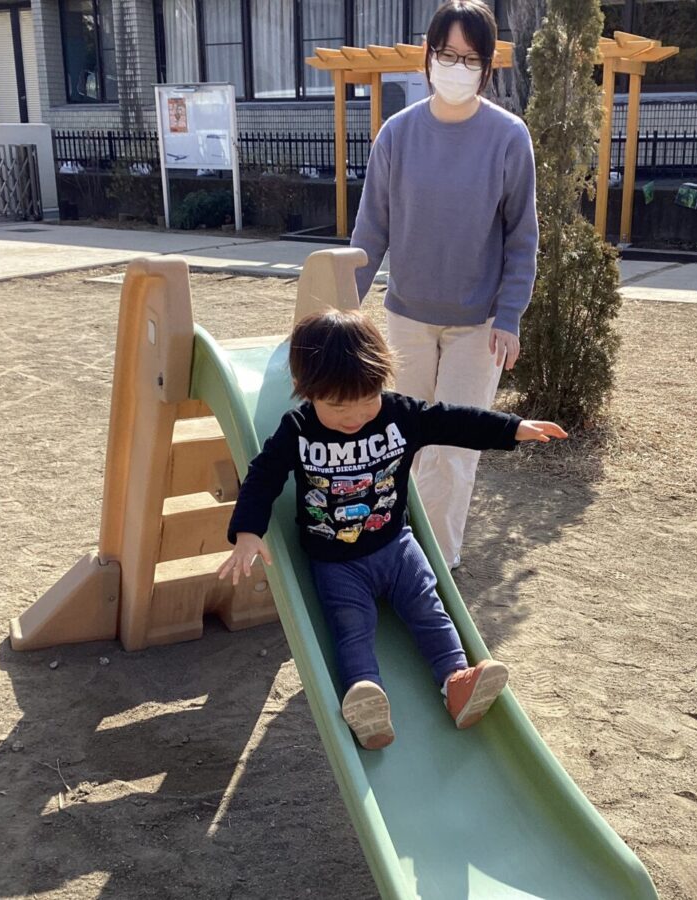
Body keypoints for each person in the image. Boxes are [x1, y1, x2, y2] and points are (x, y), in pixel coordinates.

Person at [217, 310, 566, 750]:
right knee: (351, 628)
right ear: (307, 391)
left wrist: (513, 428)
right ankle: (365, 700)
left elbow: (455, 421)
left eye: (367, 399)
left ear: (382, 380)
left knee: (429, 607)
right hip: (336, 562)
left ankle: (456, 682)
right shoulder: (299, 429)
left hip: (397, 547)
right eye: (337, 406)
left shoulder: (399, 414)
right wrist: (248, 531)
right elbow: (263, 476)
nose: (355, 416)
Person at [349, 0, 539, 571]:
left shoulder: (508, 137)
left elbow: (521, 237)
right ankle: (392, 550)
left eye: (470, 58)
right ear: (427, 57)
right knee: (401, 441)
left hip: (477, 325)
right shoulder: (397, 134)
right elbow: (370, 231)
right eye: (446, 54)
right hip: (407, 317)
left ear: (487, 66)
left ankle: (436, 566)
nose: (457, 67)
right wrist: (340, 309)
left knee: (454, 449)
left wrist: (510, 316)